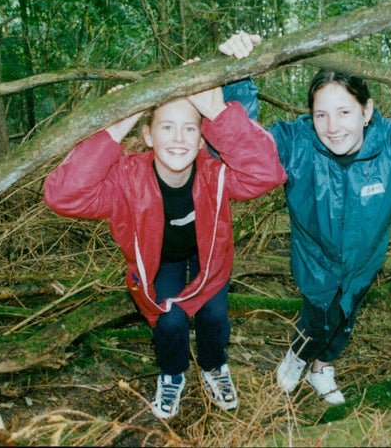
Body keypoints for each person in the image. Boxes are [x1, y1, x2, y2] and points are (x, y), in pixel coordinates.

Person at [218, 33, 391, 405]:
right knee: (316, 323)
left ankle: (322, 369)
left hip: (364, 266)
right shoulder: (297, 143)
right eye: (321, 115)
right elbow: (239, 151)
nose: (333, 127)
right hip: (314, 269)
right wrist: (238, 76)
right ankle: (297, 356)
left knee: (345, 321)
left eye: (345, 112)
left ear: (367, 111)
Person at [43, 58, 287, 419]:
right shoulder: (126, 179)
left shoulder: (213, 171)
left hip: (209, 259)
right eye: (167, 128)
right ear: (147, 135)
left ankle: (213, 365)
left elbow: (267, 173)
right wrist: (119, 120)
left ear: (202, 136)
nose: (178, 139)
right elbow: (62, 195)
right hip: (162, 260)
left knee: (215, 317)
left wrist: (217, 111)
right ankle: (173, 372)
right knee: (169, 320)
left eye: (190, 129)